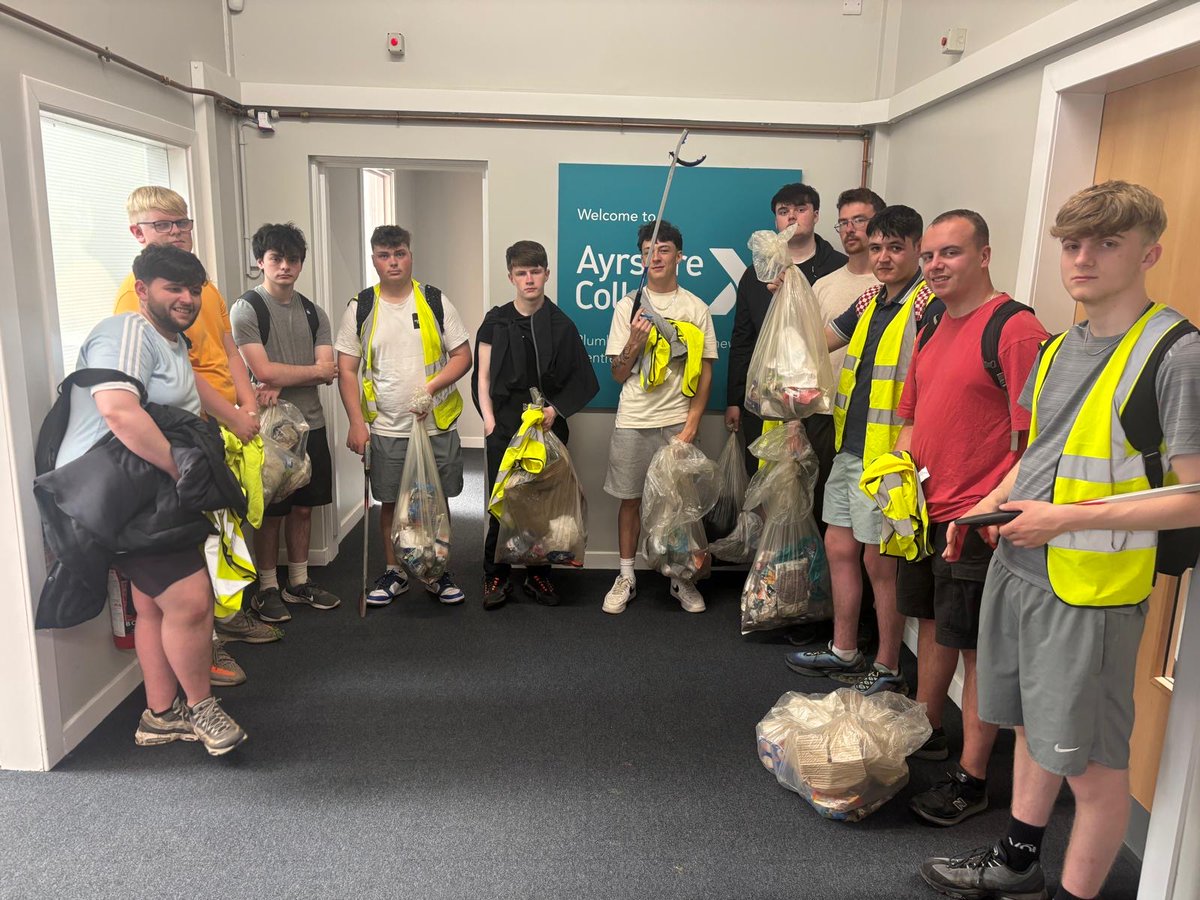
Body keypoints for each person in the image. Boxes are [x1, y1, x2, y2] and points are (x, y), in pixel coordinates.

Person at [921, 183, 1200, 900]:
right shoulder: (1059, 348)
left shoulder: (1175, 354)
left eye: (1107, 243)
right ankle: (1017, 861)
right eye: (1073, 244)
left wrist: (1064, 520)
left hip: (1092, 589)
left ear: (1149, 253)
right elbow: (1038, 454)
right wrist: (981, 508)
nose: (1084, 259)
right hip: (1022, 567)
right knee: (1035, 732)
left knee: (1093, 765)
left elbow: (1194, 497)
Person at [891, 210, 1049, 827]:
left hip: (978, 522)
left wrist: (988, 506)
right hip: (924, 511)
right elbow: (913, 410)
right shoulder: (931, 320)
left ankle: (973, 779)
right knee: (931, 623)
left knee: (980, 651)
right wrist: (899, 471)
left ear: (984, 255)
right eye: (929, 255)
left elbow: (1036, 439)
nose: (935, 265)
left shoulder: (1015, 330)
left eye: (949, 254)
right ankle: (930, 729)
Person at [63, 244, 246, 755]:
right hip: (121, 489)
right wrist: (181, 469)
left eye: (193, 289)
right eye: (173, 288)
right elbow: (119, 412)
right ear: (142, 290)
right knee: (190, 601)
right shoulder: (127, 332)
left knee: (152, 605)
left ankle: (161, 714)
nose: (186, 298)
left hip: (143, 487)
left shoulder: (170, 340)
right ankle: (200, 707)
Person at [114, 186, 274, 684]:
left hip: (224, 425)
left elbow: (228, 352)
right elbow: (176, 376)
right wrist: (231, 415)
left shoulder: (201, 284)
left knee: (228, 533)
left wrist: (246, 406)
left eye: (182, 223)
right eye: (164, 225)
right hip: (188, 434)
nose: (177, 232)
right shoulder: (134, 294)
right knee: (197, 551)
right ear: (138, 233)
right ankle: (207, 649)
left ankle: (224, 620)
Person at [783, 205, 942, 694]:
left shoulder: (927, 305)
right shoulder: (872, 299)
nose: (885, 257)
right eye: (877, 248)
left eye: (896, 248)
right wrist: (788, 312)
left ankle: (889, 664)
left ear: (917, 249)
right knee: (838, 547)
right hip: (850, 446)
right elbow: (821, 340)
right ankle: (844, 648)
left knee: (880, 562)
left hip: (891, 457)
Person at [335, 225, 472, 606]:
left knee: (437, 499)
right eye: (384, 255)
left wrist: (429, 388)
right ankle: (395, 571)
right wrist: (356, 423)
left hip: (436, 424)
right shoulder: (361, 306)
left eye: (400, 253)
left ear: (410, 255)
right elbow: (347, 369)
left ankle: (436, 569)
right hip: (387, 428)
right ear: (374, 259)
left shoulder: (433, 301)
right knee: (391, 502)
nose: (393, 262)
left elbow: (463, 356)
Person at [473, 240, 598, 609]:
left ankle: (538, 573)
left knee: (545, 506)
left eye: (535, 271)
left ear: (547, 273)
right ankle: (495, 573)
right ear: (510, 276)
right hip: (505, 424)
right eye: (521, 273)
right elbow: (482, 378)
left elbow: (583, 380)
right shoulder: (495, 322)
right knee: (503, 503)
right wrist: (490, 423)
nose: (529, 279)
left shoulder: (561, 325)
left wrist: (555, 411)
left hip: (546, 425)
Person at [603, 220, 718, 615]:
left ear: (678, 255)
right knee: (630, 501)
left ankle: (679, 578)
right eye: (647, 251)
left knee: (679, 504)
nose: (654, 257)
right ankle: (626, 575)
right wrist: (634, 341)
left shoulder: (696, 308)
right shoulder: (627, 306)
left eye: (663, 249)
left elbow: (705, 371)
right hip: (634, 419)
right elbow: (618, 374)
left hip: (677, 422)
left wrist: (692, 424)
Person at [231, 223, 341, 619]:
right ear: (261, 261)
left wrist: (281, 375)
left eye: (293, 259)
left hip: (311, 423)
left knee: (305, 509)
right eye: (276, 259)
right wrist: (294, 373)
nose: (285, 267)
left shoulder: (314, 311)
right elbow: (263, 369)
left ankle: (298, 581)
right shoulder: (248, 308)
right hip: (270, 429)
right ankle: (267, 587)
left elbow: (328, 370)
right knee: (273, 512)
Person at [726, 183, 847, 475]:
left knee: (815, 482)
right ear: (776, 221)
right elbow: (743, 340)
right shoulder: (755, 274)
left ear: (816, 215)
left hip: (820, 407)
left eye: (801, 209)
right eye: (784, 211)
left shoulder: (838, 269)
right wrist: (734, 400)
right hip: (765, 402)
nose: (792, 217)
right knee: (765, 481)